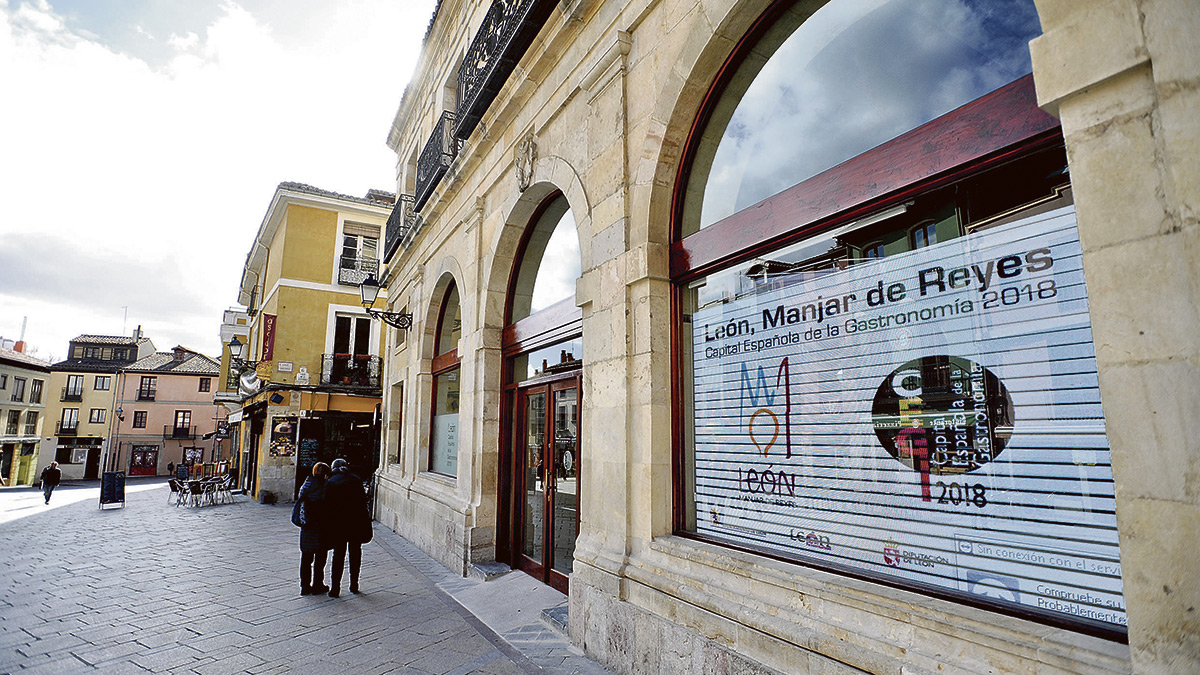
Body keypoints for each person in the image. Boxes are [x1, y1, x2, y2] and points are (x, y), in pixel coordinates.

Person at [323, 458, 372, 597]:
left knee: (338, 555)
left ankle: (335, 588)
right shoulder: (356, 480)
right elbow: (363, 502)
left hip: (339, 525)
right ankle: (354, 584)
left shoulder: (331, 482)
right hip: (355, 524)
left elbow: (327, 506)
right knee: (355, 554)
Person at [295, 462, 331, 596]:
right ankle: (317, 585)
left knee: (306, 559)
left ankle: (304, 586)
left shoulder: (306, 485)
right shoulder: (325, 487)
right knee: (320, 559)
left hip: (307, 527)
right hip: (321, 528)